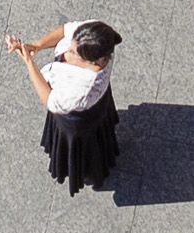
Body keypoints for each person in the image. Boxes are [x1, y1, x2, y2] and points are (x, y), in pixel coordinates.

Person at [11, 15, 117, 192]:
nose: (68, 49)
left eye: (74, 52)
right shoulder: (96, 36)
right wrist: (37, 46)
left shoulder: (82, 89)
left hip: (76, 120)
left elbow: (50, 100)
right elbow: (65, 30)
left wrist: (29, 63)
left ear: (93, 61)